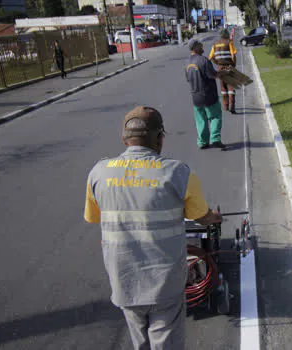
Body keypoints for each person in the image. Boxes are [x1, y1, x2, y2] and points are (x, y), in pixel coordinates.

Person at [84, 106, 223, 350]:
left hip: (123, 279)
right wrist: (215, 218)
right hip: (165, 282)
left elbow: (94, 217)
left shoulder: (98, 173)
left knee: (140, 340)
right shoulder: (177, 172)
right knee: (166, 341)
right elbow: (200, 216)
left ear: (124, 140)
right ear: (159, 139)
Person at [185, 38, 229, 149]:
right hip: (209, 96)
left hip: (196, 97)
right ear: (196, 47)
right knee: (215, 116)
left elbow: (188, 79)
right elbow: (213, 75)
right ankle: (215, 139)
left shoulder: (187, 63)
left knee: (201, 120)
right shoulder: (203, 60)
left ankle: (203, 142)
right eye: (200, 45)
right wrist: (223, 72)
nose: (202, 46)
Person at [209, 29, 238, 114]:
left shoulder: (215, 44)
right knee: (231, 87)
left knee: (223, 87)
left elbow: (211, 57)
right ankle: (232, 106)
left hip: (220, 68)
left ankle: (225, 105)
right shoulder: (229, 42)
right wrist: (234, 65)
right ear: (226, 34)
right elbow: (233, 55)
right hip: (229, 67)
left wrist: (217, 63)